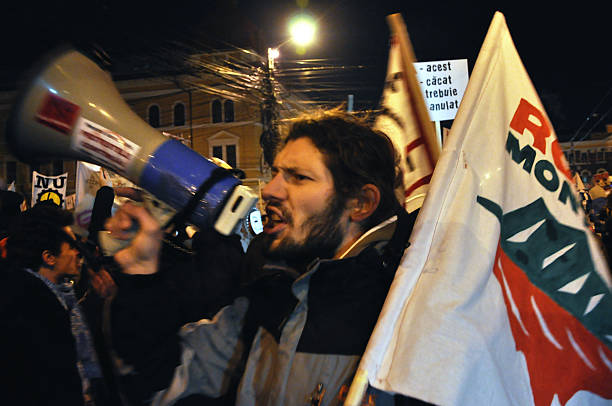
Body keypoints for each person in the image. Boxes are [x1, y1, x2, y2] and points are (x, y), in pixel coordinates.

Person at [106, 109, 427, 405]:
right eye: (276, 173)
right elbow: (160, 384)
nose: (270, 190)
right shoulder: (271, 298)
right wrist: (140, 272)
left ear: (360, 203)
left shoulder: (411, 313)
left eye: (298, 177)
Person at [0, 202, 109, 406]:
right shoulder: (30, 310)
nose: (79, 252)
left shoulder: (61, 295)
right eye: (72, 246)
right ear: (49, 257)